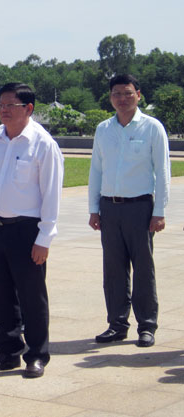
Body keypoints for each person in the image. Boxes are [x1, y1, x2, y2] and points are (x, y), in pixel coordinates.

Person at [0, 83, 63, 378]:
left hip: (26, 231)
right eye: (0, 105)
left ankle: (37, 354)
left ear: (29, 108)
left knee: (32, 296)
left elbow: (51, 195)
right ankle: (8, 351)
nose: (4, 110)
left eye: (10, 105)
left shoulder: (42, 144)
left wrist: (44, 238)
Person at [88, 74, 170, 348]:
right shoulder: (103, 129)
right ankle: (117, 323)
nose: (122, 99)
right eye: (116, 94)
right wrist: (93, 209)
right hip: (110, 207)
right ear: (110, 97)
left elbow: (163, 171)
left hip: (140, 208)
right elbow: (96, 170)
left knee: (143, 268)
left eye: (127, 93)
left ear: (139, 94)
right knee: (113, 269)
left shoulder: (151, 128)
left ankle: (146, 325)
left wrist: (159, 211)